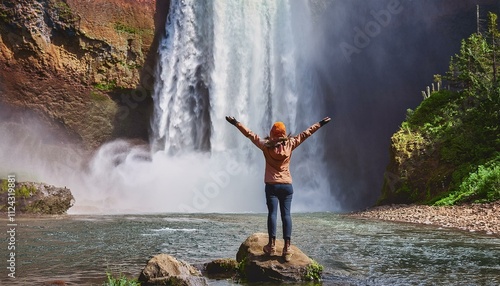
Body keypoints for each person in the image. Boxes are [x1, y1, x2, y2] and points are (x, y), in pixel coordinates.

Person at [225, 115, 331, 262]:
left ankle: (272, 246)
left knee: (272, 214)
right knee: (286, 215)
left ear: (272, 132)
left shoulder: (265, 145)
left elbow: (249, 134)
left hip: (271, 185)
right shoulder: (291, 144)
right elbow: (306, 133)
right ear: (284, 133)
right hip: (287, 186)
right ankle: (287, 249)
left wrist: (236, 123)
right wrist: (320, 123)